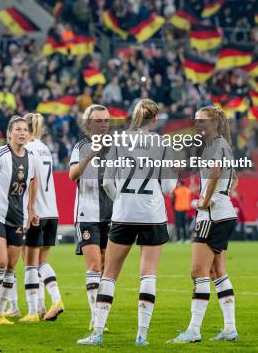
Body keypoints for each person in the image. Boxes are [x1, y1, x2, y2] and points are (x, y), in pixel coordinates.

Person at [77, 99, 176, 347]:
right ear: (155, 119)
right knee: (148, 274)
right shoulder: (163, 144)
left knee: (109, 273)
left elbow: (108, 182)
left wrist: (121, 200)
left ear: (134, 116)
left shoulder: (120, 141)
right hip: (152, 215)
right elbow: (168, 187)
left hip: (123, 214)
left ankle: (97, 332)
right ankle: (142, 335)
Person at [168, 106, 238, 343]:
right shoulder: (222, 144)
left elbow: (216, 171)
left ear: (215, 123)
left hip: (212, 214)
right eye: (196, 121)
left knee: (198, 272)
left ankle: (194, 330)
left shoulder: (214, 145)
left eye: (202, 121)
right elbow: (231, 176)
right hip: (225, 212)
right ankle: (229, 328)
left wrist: (205, 201)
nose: (197, 125)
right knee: (217, 271)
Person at [0, 116, 39, 325]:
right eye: (18, 130)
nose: (22, 133)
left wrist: (31, 209)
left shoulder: (31, 157)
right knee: (1, 262)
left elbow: (33, 182)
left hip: (18, 217)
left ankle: (2, 310)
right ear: (9, 133)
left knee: (12, 267)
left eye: (25, 130)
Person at [69, 104, 112, 332]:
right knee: (95, 265)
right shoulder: (81, 146)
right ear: (89, 124)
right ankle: (95, 318)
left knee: (106, 267)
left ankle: (100, 316)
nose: (103, 124)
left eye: (106, 120)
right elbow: (72, 174)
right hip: (87, 213)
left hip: (111, 214)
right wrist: (91, 154)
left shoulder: (114, 147)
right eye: (98, 120)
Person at [22, 112, 63, 322]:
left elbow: (31, 181)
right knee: (41, 263)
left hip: (35, 212)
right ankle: (43, 306)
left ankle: (40, 308)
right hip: (51, 211)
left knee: (30, 263)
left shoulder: (27, 150)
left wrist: (28, 211)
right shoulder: (45, 148)